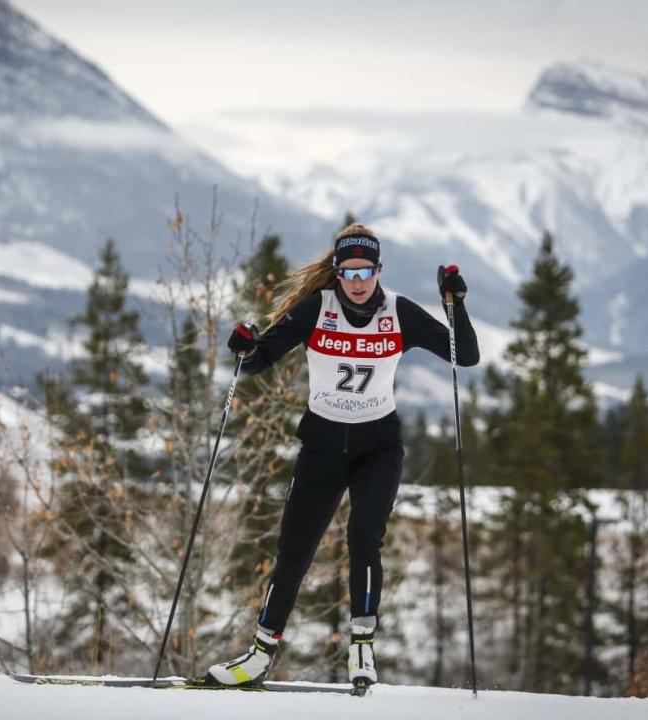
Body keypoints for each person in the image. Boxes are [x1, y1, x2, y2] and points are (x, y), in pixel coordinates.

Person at [205, 223, 479, 688]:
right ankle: (259, 656)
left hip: (379, 446)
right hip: (323, 446)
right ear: (337, 271)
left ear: (378, 270)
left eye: (365, 271)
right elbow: (256, 361)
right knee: (294, 550)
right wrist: (243, 347)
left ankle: (362, 650)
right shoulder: (318, 308)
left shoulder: (398, 312)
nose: (357, 281)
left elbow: (465, 355)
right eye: (348, 271)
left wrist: (456, 305)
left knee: (365, 538)